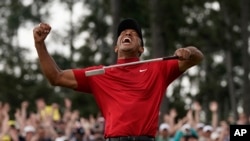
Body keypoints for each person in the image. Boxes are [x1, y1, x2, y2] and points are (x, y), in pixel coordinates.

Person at [33, 18, 204, 141]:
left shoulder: (158, 68)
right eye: (122, 33)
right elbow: (56, 77)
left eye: (133, 33)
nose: (127, 33)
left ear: (141, 48)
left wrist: (188, 51)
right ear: (116, 47)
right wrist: (40, 45)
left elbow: (197, 58)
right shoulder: (99, 74)